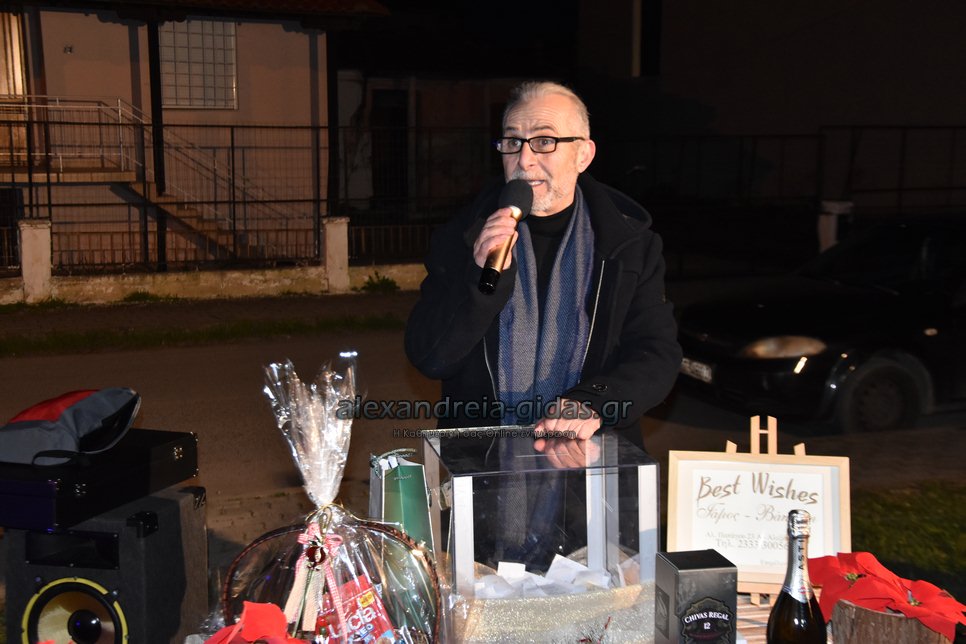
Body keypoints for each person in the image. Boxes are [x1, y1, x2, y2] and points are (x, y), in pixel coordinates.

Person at [404, 80, 682, 567]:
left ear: (584, 154)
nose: (525, 159)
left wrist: (591, 402)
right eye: (512, 142)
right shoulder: (463, 235)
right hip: (483, 494)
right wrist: (481, 280)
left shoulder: (628, 242)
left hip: (591, 490)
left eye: (545, 141)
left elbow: (656, 354)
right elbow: (431, 356)